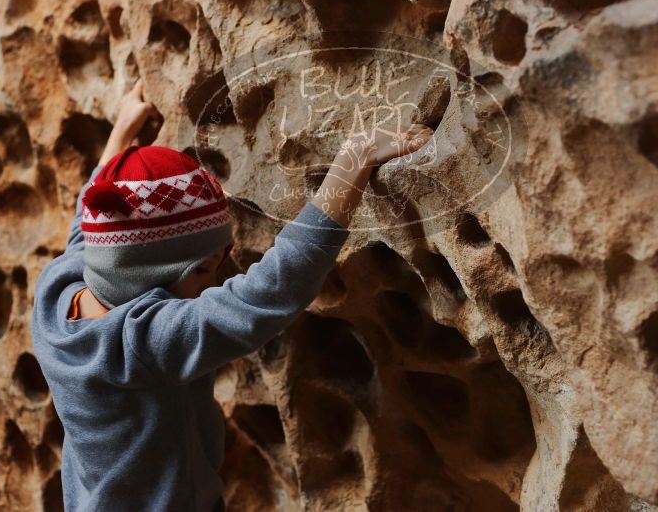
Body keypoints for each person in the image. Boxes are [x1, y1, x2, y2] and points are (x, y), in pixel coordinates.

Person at [31, 79, 433, 511]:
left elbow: (89, 216)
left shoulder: (59, 287)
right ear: (173, 271)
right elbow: (270, 291)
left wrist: (122, 132)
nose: (217, 277)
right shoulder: (145, 343)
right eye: (211, 266)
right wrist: (352, 162)